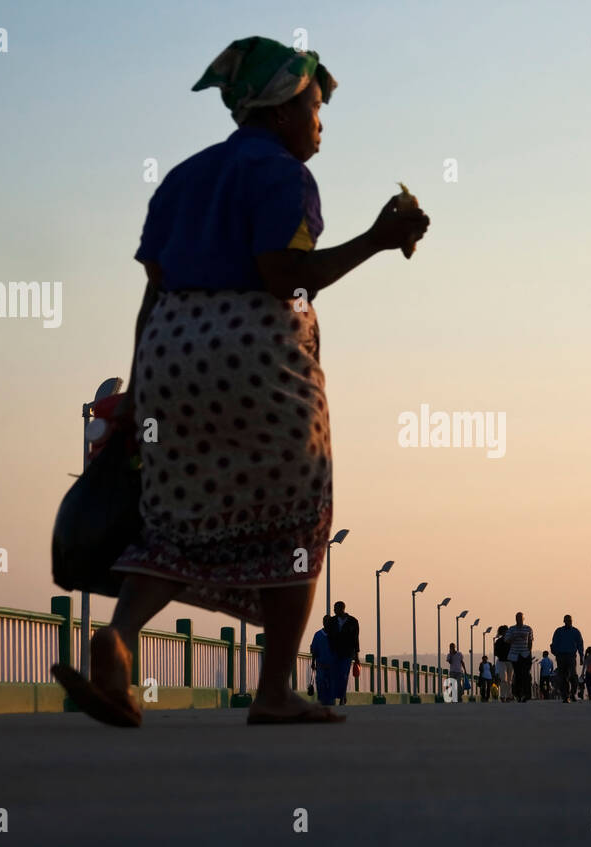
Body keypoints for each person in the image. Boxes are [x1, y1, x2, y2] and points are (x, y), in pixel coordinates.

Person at [54, 36, 430, 727]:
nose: (320, 123)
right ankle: (274, 691)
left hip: (171, 352)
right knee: (299, 510)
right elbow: (282, 274)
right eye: (315, 108)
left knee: (174, 515)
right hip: (257, 356)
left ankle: (118, 638)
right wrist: (378, 238)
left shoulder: (183, 178)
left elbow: (152, 290)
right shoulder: (284, 175)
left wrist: (140, 389)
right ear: (283, 111)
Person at [327, 601, 360, 704]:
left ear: (342, 609)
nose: (334, 610)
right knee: (335, 675)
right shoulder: (332, 621)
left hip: (347, 652)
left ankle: (342, 696)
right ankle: (339, 694)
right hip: (334, 652)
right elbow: (328, 637)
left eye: (335, 608)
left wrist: (356, 655)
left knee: (344, 675)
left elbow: (355, 638)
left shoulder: (353, 621)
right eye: (334, 608)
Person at [549, 614, 583, 703]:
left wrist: (581, 656)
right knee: (563, 677)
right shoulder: (559, 631)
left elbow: (580, 644)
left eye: (570, 621)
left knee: (573, 675)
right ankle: (565, 695)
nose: (569, 622)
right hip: (561, 656)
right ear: (564, 621)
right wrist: (556, 653)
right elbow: (554, 643)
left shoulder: (575, 632)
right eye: (567, 621)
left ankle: (573, 693)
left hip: (571, 656)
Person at [506, 613, 534, 702]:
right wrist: (513, 637)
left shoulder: (528, 628)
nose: (519, 620)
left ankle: (526, 694)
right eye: (517, 618)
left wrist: (529, 652)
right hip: (515, 655)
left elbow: (530, 641)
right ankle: (518, 694)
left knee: (526, 674)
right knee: (518, 675)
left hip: (525, 654)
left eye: (520, 618)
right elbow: (506, 640)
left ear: (523, 619)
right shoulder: (511, 629)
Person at [308, 614, 334, 702]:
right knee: (320, 682)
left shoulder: (335, 635)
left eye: (327, 621)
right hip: (321, 664)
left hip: (332, 665)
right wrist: (313, 662)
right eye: (324, 621)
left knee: (331, 684)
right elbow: (314, 650)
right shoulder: (318, 635)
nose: (325, 623)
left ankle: (330, 701)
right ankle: (321, 700)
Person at [493, 625, 513, 702]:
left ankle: (508, 696)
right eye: (504, 631)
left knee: (509, 680)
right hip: (501, 661)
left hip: (510, 662)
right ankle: (502, 696)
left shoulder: (511, 641)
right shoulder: (499, 641)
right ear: (501, 632)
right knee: (503, 679)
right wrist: (501, 654)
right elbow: (495, 652)